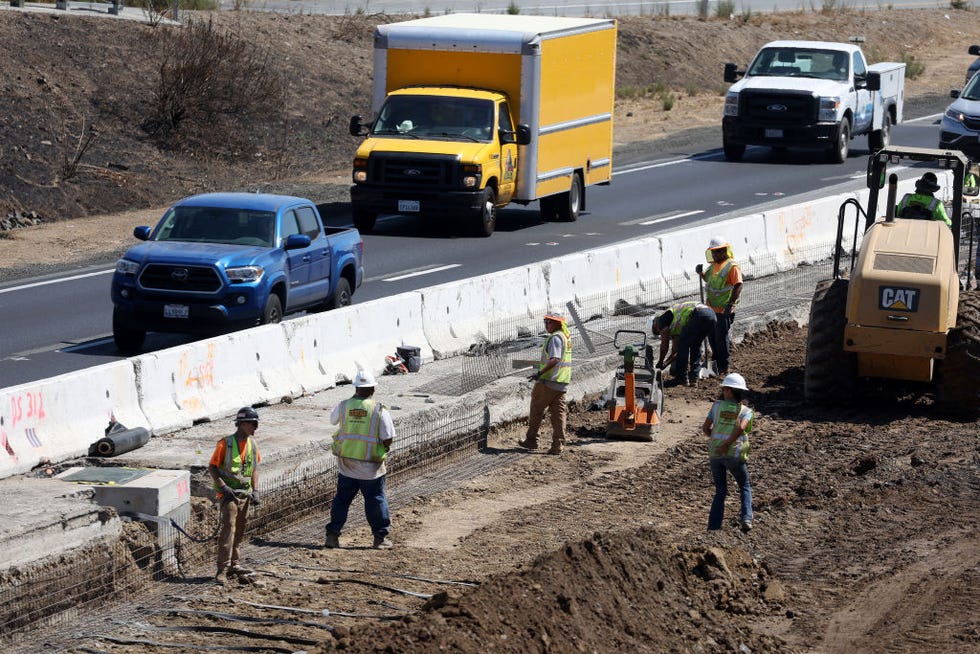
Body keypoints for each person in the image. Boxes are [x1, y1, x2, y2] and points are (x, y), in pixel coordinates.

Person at [325, 369, 395, 550]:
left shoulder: (343, 406)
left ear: (355, 387)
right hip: (371, 468)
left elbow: (333, 421)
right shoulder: (379, 410)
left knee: (342, 500)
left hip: (347, 465)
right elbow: (388, 437)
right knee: (375, 500)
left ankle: (332, 536)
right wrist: (383, 448)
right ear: (373, 389)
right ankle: (380, 538)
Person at [209, 406, 261, 584]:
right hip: (229, 494)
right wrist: (223, 487)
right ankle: (222, 569)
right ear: (243, 424)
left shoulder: (252, 444)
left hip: (244, 494)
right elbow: (213, 467)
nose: (256, 428)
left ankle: (234, 564)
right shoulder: (225, 443)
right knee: (229, 528)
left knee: (240, 529)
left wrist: (255, 490)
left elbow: (254, 468)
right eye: (253, 424)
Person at [702, 373, 754, 533]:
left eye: (724, 388)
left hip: (715, 454)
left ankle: (713, 527)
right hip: (734, 454)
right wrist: (727, 444)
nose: (723, 391)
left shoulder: (716, 407)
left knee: (720, 491)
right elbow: (742, 427)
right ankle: (746, 518)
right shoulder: (746, 411)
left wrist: (718, 442)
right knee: (744, 485)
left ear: (730, 391)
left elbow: (705, 428)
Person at [518, 311, 572, 455]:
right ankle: (558, 445)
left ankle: (531, 440)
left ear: (558, 323)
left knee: (536, 409)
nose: (546, 324)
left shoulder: (555, 338)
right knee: (558, 414)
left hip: (548, 381)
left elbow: (554, 359)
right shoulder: (564, 336)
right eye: (545, 321)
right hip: (561, 383)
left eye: (549, 322)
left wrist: (539, 373)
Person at [696, 236, 743, 375]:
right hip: (711, 309)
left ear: (723, 251)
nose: (714, 255)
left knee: (721, 338)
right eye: (713, 252)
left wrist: (730, 304)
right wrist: (701, 273)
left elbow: (738, 285)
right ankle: (716, 362)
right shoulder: (713, 266)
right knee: (712, 337)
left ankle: (724, 365)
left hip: (724, 310)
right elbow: (709, 279)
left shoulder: (731, 266)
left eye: (716, 252)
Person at [652, 301, 717, 387]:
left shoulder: (661, 320)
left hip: (698, 314)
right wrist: (665, 364)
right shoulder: (676, 325)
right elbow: (676, 351)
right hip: (711, 316)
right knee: (695, 345)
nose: (661, 334)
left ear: (655, 325)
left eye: (658, 332)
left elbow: (665, 346)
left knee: (684, 344)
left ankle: (681, 378)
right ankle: (694, 378)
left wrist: (660, 361)